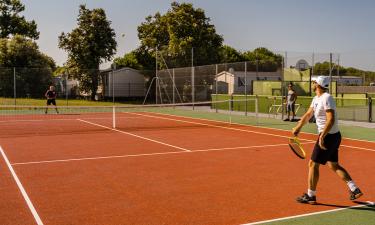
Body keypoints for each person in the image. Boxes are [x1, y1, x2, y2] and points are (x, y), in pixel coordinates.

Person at [292, 76, 362, 204]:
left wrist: (322, 136)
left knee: (313, 164)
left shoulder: (327, 97)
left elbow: (331, 119)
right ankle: (354, 189)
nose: (312, 83)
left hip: (328, 136)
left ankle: (311, 195)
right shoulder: (316, 99)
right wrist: (298, 127)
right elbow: (308, 115)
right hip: (332, 136)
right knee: (333, 164)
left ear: (318, 84)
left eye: (313, 82)